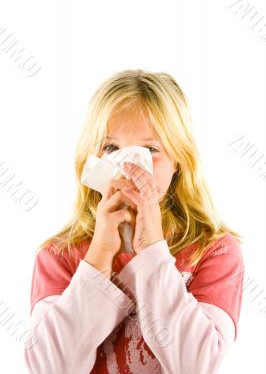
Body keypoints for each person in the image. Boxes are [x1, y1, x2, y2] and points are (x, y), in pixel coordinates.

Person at [24, 69, 245, 374]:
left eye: (150, 150)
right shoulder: (58, 256)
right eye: (111, 148)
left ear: (178, 161)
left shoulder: (214, 251)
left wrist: (153, 250)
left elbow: (195, 365)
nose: (128, 166)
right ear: (92, 160)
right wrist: (100, 252)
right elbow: (51, 367)